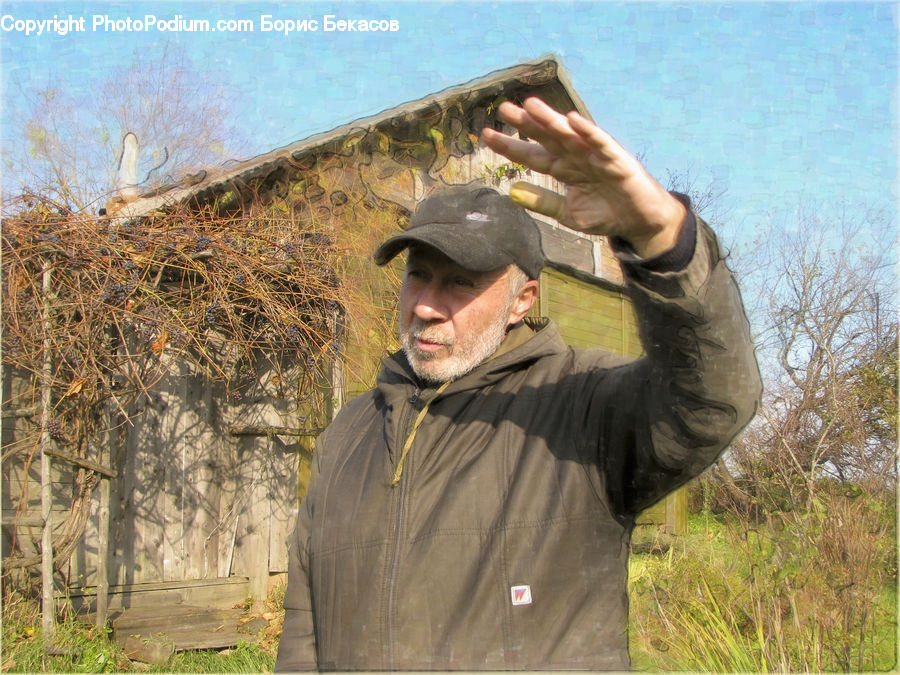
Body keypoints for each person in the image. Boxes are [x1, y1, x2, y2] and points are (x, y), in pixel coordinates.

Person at [275, 97, 761, 671]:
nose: (427, 306)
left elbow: (712, 401)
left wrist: (663, 241)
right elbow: (304, 630)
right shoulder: (350, 432)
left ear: (521, 301)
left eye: (460, 283)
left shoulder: (581, 405)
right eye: (418, 276)